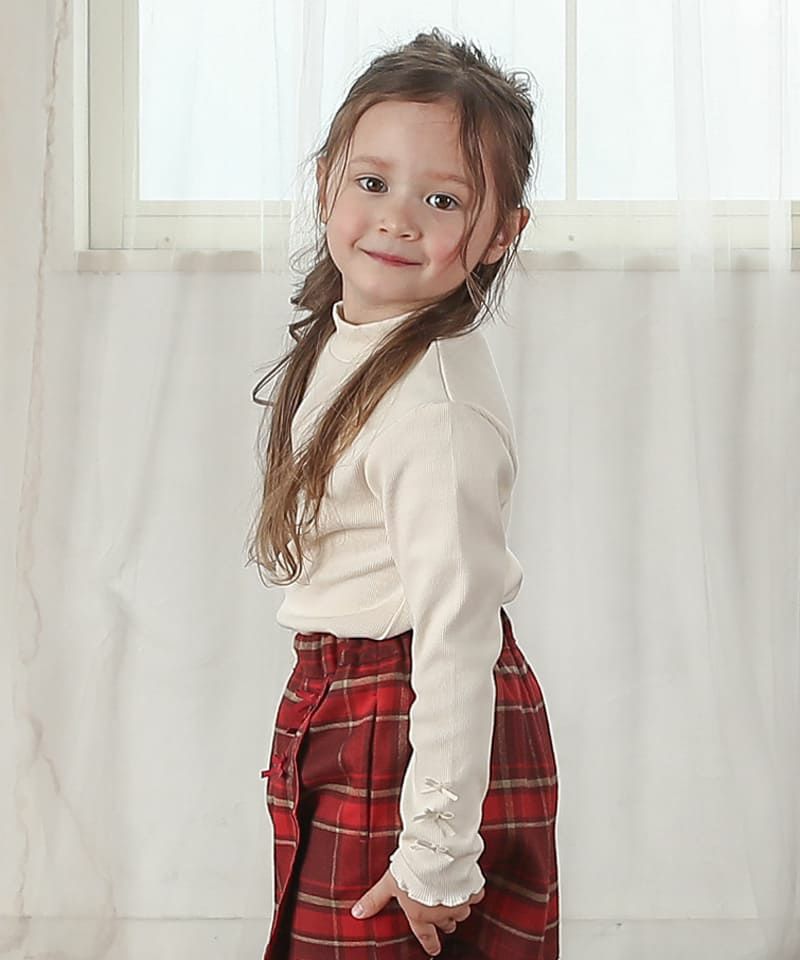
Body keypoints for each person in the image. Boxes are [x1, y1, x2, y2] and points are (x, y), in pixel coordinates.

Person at [248, 27, 559, 960]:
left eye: (443, 199)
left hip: (412, 715)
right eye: (373, 182)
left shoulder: (435, 410)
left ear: (502, 233)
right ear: (326, 184)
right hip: (351, 703)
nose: (397, 220)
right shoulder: (359, 341)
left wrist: (435, 850)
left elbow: (457, 633)